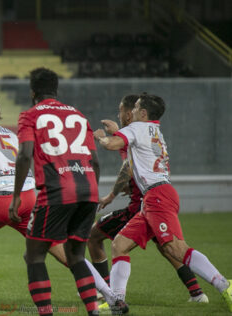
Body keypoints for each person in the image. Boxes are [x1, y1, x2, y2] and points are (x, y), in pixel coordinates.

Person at [0, 89, 114, 314]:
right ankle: (112, 296)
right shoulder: (10, 133)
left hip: (0, 200)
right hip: (29, 198)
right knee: (66, 251)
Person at [93, 93, 232, 312]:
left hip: (157, 196)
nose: (132, 112)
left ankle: (225, 285)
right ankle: (117, 301)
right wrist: (117, 132)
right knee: (119, 244)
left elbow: (111, 145)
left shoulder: (138, 127)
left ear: (143, 113)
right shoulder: (155, 130)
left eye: (136, 107)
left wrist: (101, 137)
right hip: (155, 196)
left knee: (175, 248)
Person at [9, 68, 102, 316]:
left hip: (57, 190)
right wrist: (94, 191)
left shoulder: (29, 116)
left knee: (34, 256)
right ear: (56, 90)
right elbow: (94, 161)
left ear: (32, 91)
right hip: (89, 190)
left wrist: (17, 195)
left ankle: (46, 313)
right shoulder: (79, 116)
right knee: (76, 256)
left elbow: (25, 155)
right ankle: (94, 311)